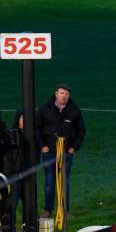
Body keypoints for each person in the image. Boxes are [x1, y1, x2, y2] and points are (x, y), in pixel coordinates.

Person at [37, 84, 86, 218]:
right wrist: (42, 146)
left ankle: (65, 210)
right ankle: (48, 210)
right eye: (62, 93)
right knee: (49, 181)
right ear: (56, 94)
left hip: (66, 153)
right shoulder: (45, 109)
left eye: (67, 94)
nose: (64, 96)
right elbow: (37, 128)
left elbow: (82, 130)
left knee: (64, 181)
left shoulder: (74, 110)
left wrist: (74, 148)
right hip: (49, 152)